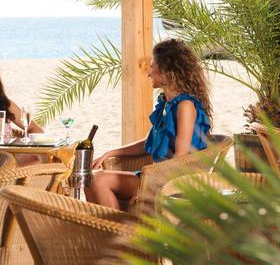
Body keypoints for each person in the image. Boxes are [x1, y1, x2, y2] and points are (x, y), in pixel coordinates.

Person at [86, 39, 212, 209]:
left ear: (167, 71)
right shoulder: (167, 104)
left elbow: (180, 157)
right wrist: (110, 153)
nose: (149, 73)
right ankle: (108, 230)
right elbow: (147, 144)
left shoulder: (185, 106)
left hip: (175, 182)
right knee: (89, 180)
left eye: (152, 66)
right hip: (155, 176)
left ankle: (117, 232)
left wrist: (148, 189)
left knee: (99, 180)